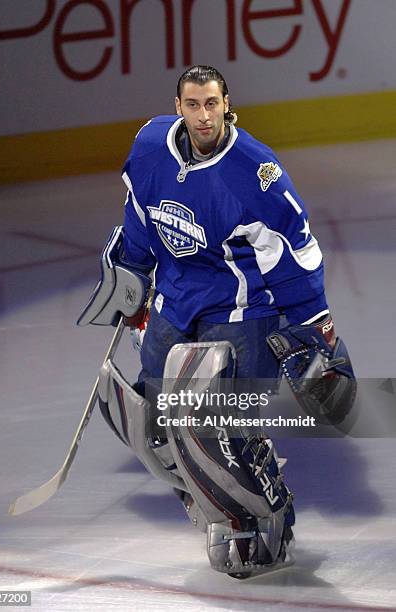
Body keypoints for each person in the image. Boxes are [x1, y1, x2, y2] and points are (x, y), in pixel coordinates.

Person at [80, 65, 355, 578]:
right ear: (178, 106)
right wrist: (133, 274)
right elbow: (140, 213)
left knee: (219, 425)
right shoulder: (150, 146)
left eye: (211, 104)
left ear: (227, 104)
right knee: (154, 421)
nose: (203, 115)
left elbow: (292, 251)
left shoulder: (255, 172)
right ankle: (209, 498)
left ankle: (270, 517)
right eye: (192, 104)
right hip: (177, 296)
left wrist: (314, 324)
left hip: (241, 304)